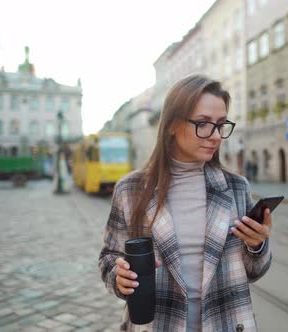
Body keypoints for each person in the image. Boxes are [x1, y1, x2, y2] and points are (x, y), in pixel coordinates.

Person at [98, 75, 273, 331]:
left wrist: (257, 245)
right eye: (203, 123)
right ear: (172, 125)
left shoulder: (236, 188)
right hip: (156, 324)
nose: (215, 136)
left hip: (224, 323)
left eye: (221, 124)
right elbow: (109, 257)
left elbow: (253, 272)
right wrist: (118, 276)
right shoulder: (131, 189)